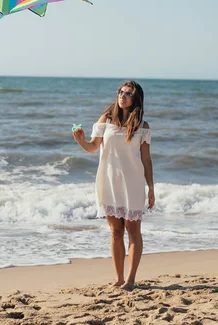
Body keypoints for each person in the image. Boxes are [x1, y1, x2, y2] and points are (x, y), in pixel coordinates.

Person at [73, 80, 154, 291]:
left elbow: (146, 160)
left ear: (135, 99)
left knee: (133, 231)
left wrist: (151, 188)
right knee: (115, 231)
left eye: (128, 94)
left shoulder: (142, 127)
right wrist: (81, 141)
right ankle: (119, 278)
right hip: (108, 180)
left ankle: (130, 280)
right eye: (121, 92)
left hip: (133, 183)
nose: (122, 96)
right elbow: (93, 148)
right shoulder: (106, 120)